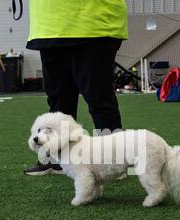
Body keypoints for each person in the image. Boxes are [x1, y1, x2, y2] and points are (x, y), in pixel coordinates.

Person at [24, 0, 128, 176]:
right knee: (58, 100)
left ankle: (114, 160)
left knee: (99, 98)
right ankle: (58, 159)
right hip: (49, 26)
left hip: (92, 21)